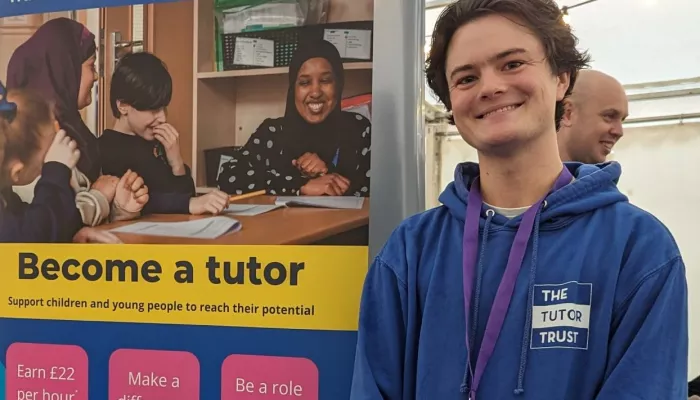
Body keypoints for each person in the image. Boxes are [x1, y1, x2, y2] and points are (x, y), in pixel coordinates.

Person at [350, 1, 688, 399]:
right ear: (451, 104)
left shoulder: (638, 248)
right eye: (466, 78)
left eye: (511, 64)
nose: (490, 87)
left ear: (562, 77)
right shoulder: (411, 250)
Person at [6, 17, 145, 227]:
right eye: (91, 66)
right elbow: (47, 223)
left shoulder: (76, 132)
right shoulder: (32, 140)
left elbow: (73, 220)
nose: (96, 76)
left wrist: (118, 208)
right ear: (64, 70)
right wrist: (98, 196)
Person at [216, 38, 372, 197]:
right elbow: (228, 179)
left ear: (339, 85)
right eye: (305, 83)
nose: (316, 92)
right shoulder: (272, 132)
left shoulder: (358, 129)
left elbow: (377, 189)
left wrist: (326, 174)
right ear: (293, 90)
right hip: (282, 222)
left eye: (325, 81)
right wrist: (300, 184)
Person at [0, 83, 146, 243]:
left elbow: (35, 221)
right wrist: (56, 170)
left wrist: (74, 233)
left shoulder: (7, 199)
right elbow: (33, 236)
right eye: (43, 163)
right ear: (17, 172)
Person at [102, 51, 230, 215]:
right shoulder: (107, 150)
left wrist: (176, 162)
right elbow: (135, 201)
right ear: (123, 106)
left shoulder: (155, 142)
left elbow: (186, 196)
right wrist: (188, 204)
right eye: (153, 109)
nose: (162, 117)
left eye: (163, 108)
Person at [558, 69, 628, 164]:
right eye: (609, 116)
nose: (619, 132)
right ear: (568, 113)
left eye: (622, 120)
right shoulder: (532, 176)